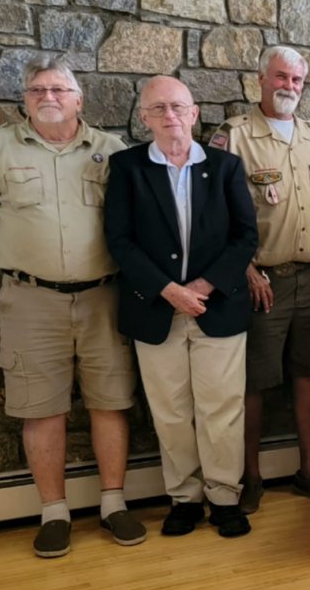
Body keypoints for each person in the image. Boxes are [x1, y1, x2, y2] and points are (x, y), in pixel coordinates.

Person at [0, 55, 143, 558]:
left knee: (110, 400)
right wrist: (19, 259)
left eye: (58, 90)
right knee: (39, 406)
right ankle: (54, 513)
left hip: (103, 297)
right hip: (29, 300)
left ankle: (113, 504)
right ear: (24, 100)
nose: (48, 97)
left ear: (79, 98)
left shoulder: (111, 151)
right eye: (37, 90)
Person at [104, 76, 260, 538]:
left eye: (177, 107)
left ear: (194, 113)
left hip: (219, 308)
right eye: (158, 109)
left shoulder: (226, 166)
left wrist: (204, 286)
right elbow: (120, 240)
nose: (169, 116)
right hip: (155, 308)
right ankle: (185, 498)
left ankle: (224, 497)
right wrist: (169, 290)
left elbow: (245, 236)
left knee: (221, 407)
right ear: (144, 117)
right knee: (170, 409)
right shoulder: (128, 167)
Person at [209, 46, 310, 511]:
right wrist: (245, 270)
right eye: (281, 77)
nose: (289, 87)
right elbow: (215, 216)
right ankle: (250, 478)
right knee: (254, 383)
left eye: (297, 81)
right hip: (263, 280)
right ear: (261, 79)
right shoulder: (234, 136)